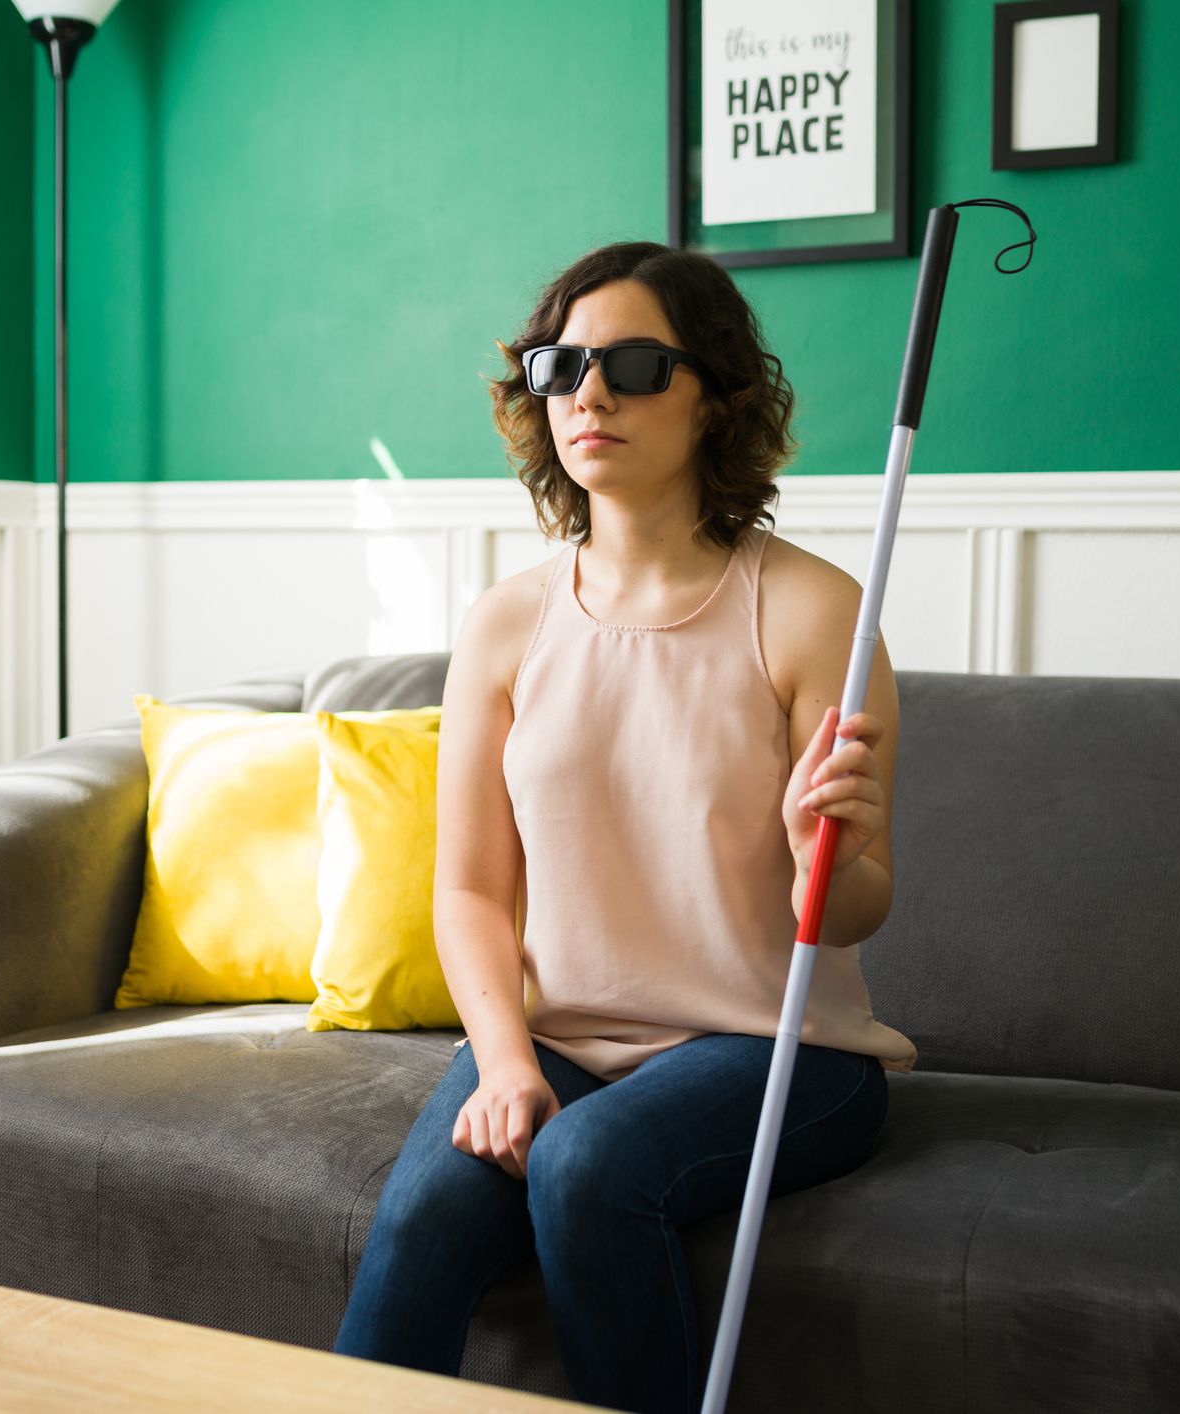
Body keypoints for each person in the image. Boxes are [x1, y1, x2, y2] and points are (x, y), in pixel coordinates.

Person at [330, 240, 920, 1414]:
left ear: (715, 398)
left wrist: (824, 850)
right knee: (425, 1211)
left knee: (585, 1159)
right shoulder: (505, 624)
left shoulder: (812, 611)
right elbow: (468, 889)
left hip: (777, 1049)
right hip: (559, 1037)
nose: (587, 393)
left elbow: (856, 907)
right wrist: (505, 1063)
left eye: (635, 365)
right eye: (560, 367)